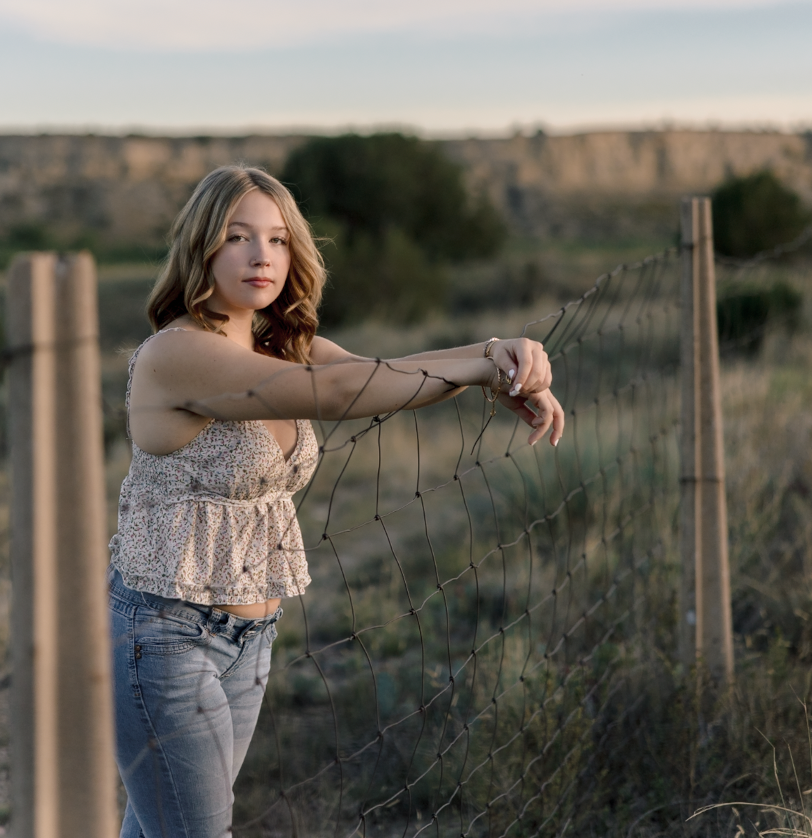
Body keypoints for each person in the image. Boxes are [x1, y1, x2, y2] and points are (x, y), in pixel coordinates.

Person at [109, 165, 564, 838]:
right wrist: (483, 366)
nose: (262, 255)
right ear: (201, 246)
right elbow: (341, 395)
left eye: (277, 239)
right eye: (237, 237)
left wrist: (500, 359)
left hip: (250, 636)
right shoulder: (177, 353)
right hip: (167, 634)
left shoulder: (281, 343)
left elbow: (385, 375)